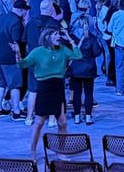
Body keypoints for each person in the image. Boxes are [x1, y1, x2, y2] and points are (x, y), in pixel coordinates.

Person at [20, 27, 81, 159]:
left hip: (58, 87)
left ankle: (61, 151)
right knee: (39, 122)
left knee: (63, 123)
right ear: (47, 37)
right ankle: (33, 152)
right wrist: (16, 54)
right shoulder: (37, 52)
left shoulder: (63, 50)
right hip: (44, 88)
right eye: (55, 34)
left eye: (59, 34)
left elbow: (78, 55)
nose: (58, 36)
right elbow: (22, 65)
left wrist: (70, 39)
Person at [0, 0, 28, 121]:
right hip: (11, 57)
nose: (26, 13)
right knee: (15, 84)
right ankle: (16, 112)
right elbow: (17, 40)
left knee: (1, 83)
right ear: (21, 10)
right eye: (25, 11)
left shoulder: (3, 18)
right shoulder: (16, 22)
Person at [67, 14, 102, 125]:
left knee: (76, 94)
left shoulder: (71, 38)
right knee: (88, 93)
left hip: (75, 69)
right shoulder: (91, 38)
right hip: (88, 69)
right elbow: (97, 52)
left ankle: (77, 116)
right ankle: (88, 117)